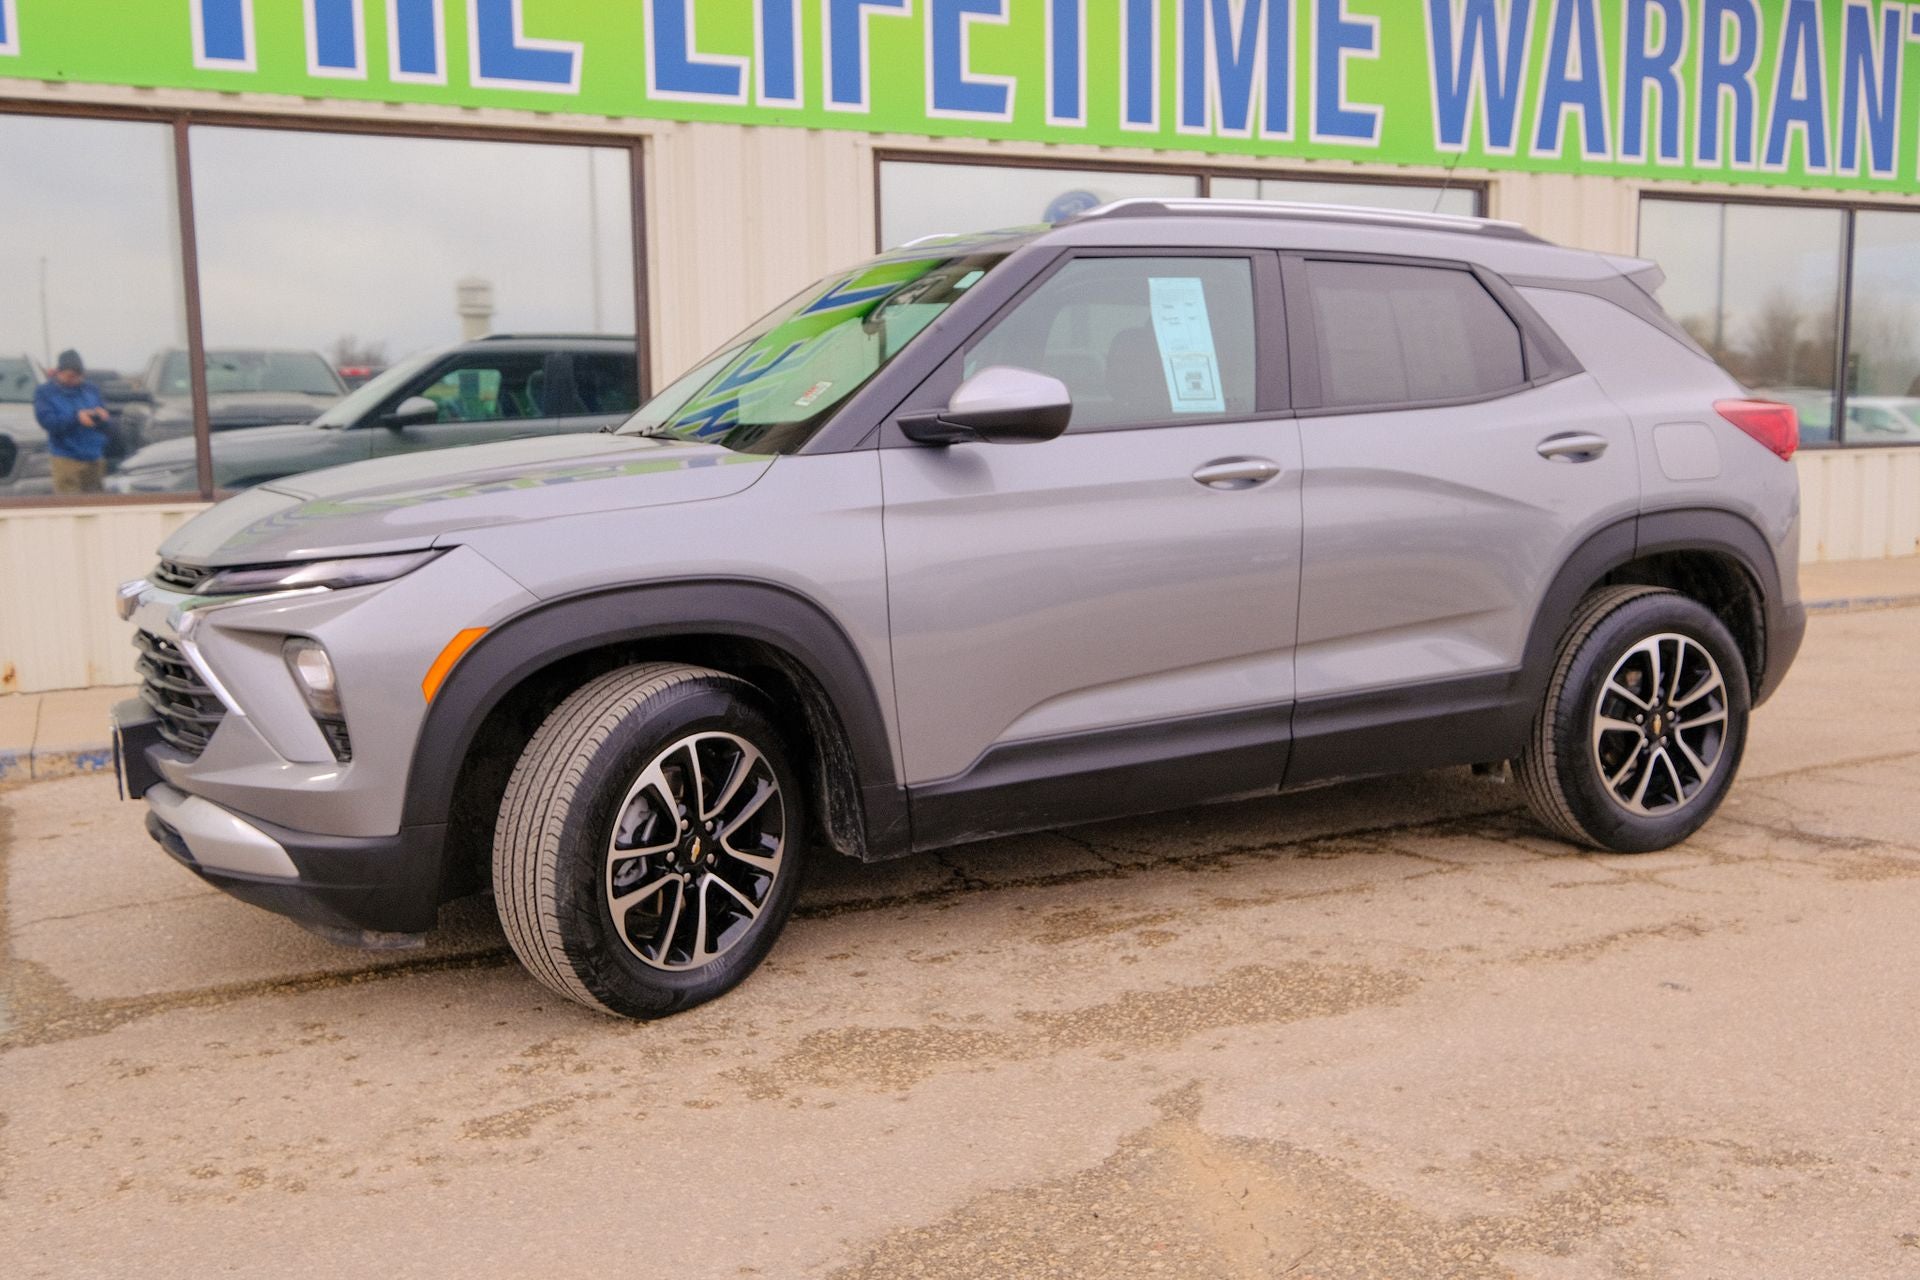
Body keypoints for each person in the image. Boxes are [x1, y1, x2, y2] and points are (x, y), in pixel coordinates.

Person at [33, 349, 111, 495]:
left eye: (79, 376)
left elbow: (106, 424)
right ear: (59, 372)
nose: (75, 380)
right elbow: (47, 422)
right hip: (66, 459)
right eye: (70, 376)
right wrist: (76, 419)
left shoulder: (91, 390)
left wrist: (102, 417)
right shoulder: (45, 393)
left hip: (94, 458)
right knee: (68, 508)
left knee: (96, 508)